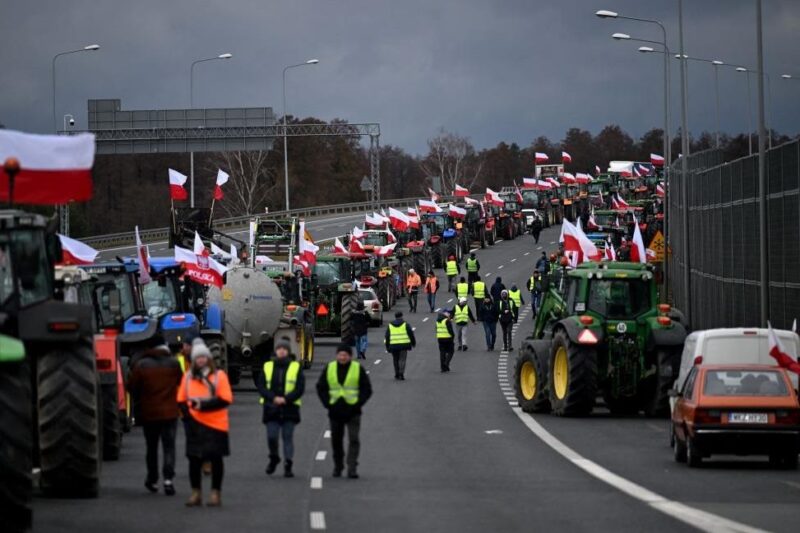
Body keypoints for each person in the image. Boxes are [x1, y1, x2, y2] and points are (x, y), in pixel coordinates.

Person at [177, 340, 233, 507]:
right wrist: (187, 417)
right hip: (195, 425)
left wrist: (202, 405)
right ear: (193, 360)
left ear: (209, 359)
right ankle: (196, 493)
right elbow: (181, 399)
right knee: (194, 460)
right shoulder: (188, 378)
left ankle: (216, 493)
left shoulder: (219, 377)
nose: (200, 360)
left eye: (203, 357)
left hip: (216, 425)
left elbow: (226, 399)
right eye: (197, 358)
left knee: (216, 460)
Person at [127, 334, 183, 496]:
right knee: (169, 447)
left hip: (149, 413)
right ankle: (168, 480)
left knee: (151, 448)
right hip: (170, 413)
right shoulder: (173, 364)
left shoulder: (142, 365)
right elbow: (181, 383)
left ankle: (152, 479)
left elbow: (132, 387)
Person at [316, 344, 373, 479]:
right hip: (335, 411)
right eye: (340, 354)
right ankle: (338, 465)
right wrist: (327, 404)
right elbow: (321, 387)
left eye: (345, 355)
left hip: (353, 411)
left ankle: (352, 467)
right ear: (337, 355)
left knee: (354, 439)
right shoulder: (329, 368)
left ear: (350, 356)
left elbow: (367, 389)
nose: (342, 357)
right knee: (336, 441)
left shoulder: (357, 368)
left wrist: (358, 403)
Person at [255, 339, 305, 478]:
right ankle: (274, 457)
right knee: (272, 436)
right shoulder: (267, 367)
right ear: (276, 351)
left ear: (288, 351)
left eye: (284, 349)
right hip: (271, 407)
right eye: (279, 349)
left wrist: (286, 399)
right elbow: (261, 386)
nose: (281, 351)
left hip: (290, 408)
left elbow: (299, 388)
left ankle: (288, 464)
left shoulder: (295, 367)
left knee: (287, 437)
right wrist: (273, 398)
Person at [384, 311, 416, 380]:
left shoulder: (390, 325)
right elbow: (411, 334)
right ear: (402, 316)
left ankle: (396, 373)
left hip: (393, 345)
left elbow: (387, 336)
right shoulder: (405, 324)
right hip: (403, 345)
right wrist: (413, 343)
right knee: (402, 360)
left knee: (395, 360)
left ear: (395, 317)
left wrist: (387, 346)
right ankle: (401, 373)